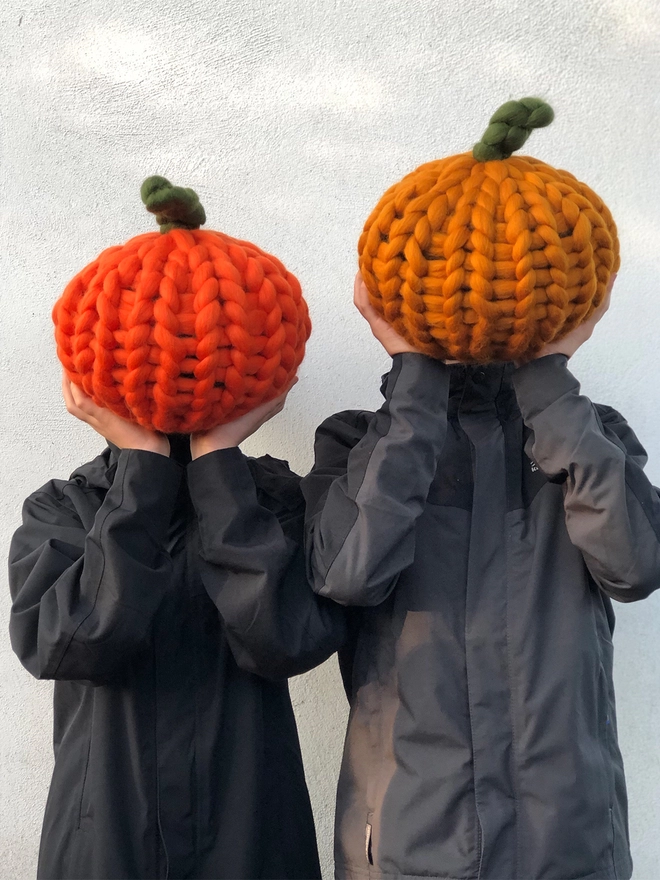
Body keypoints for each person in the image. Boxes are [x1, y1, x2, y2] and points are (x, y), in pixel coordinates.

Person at [298, 99, 660, 880]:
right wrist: (415, 378)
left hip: (570, 847)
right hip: (405, 849)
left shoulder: (587, 435)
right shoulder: (360, 440)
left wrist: (547, 373)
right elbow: (352, 572)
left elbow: (633, 568)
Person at [8, 173, 346, 880]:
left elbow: (285, 640)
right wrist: (142, 469)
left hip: (255, 841)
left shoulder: (277, 501)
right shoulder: (62, 509)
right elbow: (74, 647)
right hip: (104, 846)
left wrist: (221, 462)